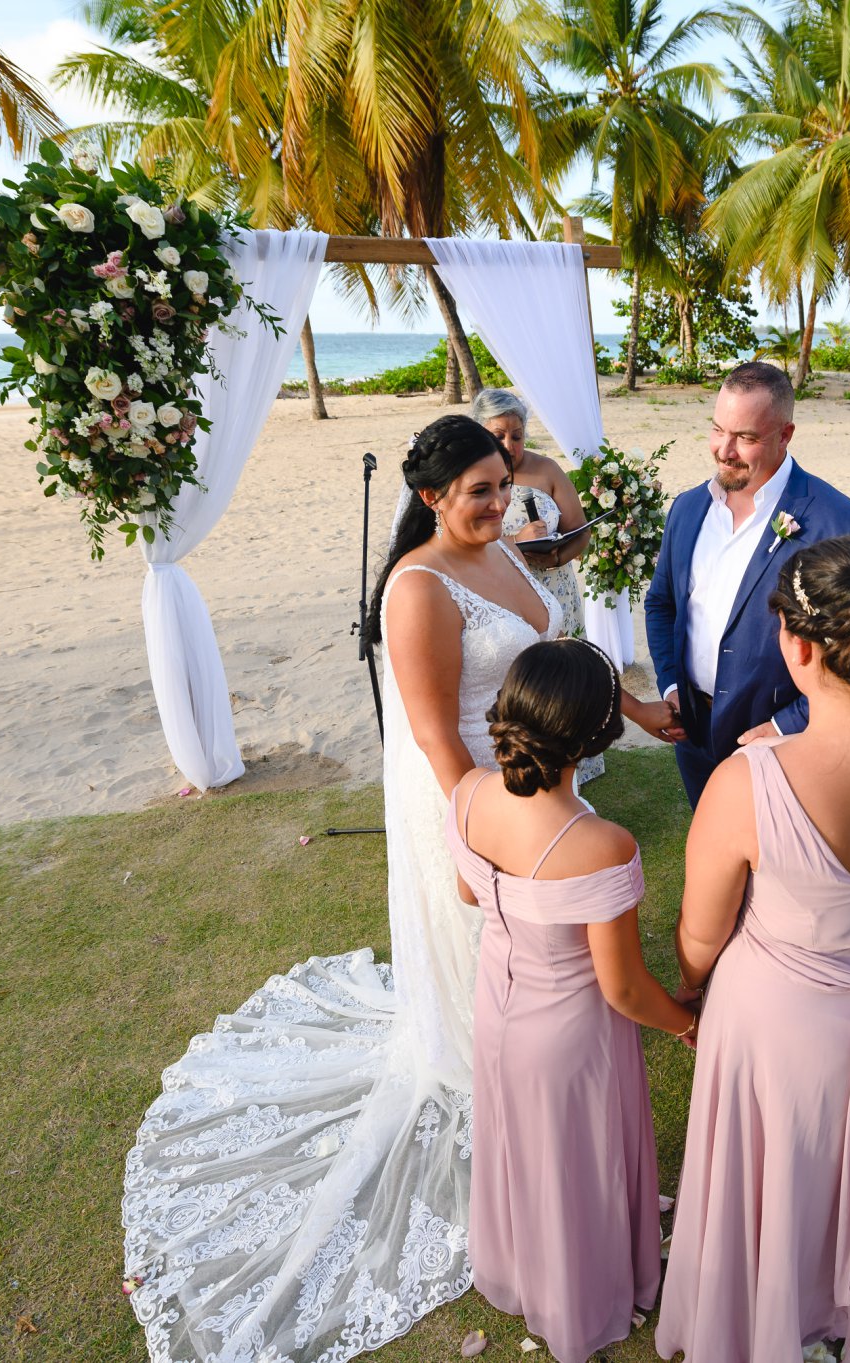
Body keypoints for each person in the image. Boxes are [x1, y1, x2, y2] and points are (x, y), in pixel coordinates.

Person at [122, 416, 621, 1361]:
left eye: (502, 484)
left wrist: (625, 708)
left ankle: (555, 1083)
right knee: (490, 954)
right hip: (466, 791)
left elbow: (549, 654)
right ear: (430, 498)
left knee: (553, 949)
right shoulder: (417, 587)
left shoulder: (503, 552)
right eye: (478, 491)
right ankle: (502, 1093)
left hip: (536, 784)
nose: (498, 502)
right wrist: (476, 837)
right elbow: (433, 733)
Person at [657, 536, 850, 1363]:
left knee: (783, 1164)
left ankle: (776, 1297)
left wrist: (691, 987)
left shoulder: (748, 781)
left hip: (782, 1024)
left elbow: (700, 933)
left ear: (797, 647)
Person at [444, 639, 695, 1363]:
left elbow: (469, 892)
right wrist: (686, 1023)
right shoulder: (602, 844)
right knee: (576, 1161)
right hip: (571, 1035)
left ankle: (520, 1267)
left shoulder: (467, 794)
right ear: (593, 739)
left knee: (524, 1145)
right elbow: (623, 987)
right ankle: (579, 1294)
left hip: (497, 1005)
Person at [643, 361, 850, 806]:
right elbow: (662, 604)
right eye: (718, 429)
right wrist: (672, 686)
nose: (724, 450)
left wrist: (784, 726)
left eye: (746, 438)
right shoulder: (687, 508)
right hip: (693, 736)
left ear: (785, 435)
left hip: (790, 748)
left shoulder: (844, 525)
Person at [471, 388, 604, 784]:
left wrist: (558, 556)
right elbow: (465, 544)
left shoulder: (547, 470)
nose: (509, 445)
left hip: (556, 590)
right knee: (522, 682)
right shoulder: (472, 477)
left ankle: (574, 764)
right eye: (497, 435)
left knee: (566, 678)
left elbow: (581, 531)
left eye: (516, 435)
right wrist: (517, 542)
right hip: (503, 594)